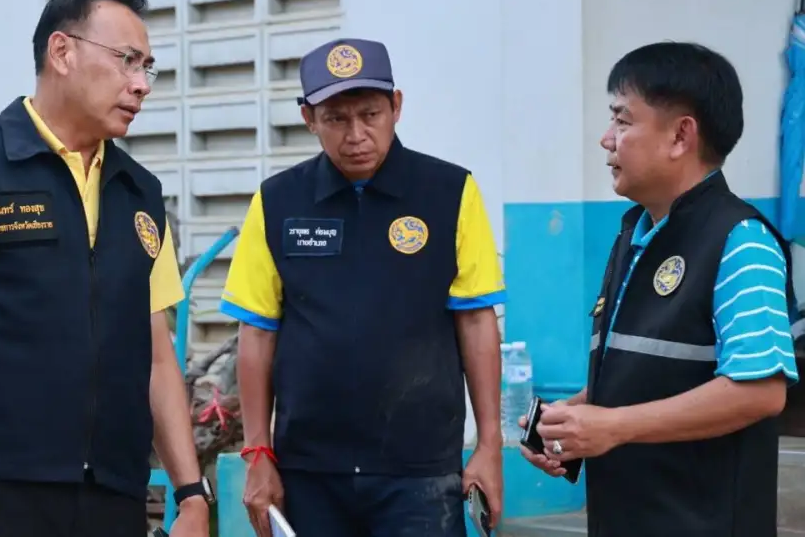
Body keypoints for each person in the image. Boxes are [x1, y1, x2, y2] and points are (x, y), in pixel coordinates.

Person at [0, 0, 212, 537]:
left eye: (147, 68)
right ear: (62, 52)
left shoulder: (139, 192)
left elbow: (155, 353)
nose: (140, 84)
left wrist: (191, 494)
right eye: (127, 60)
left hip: (114, 497)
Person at [220, 38, 506, 537]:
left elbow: (476, 321)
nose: (356, 135)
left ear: (396, 106)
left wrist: (488, 445)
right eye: (336, 119)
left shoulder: (450, 192)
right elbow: (257, 332)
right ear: (309, 118)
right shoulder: (277, 201)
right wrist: (257, 451)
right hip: (308, 471)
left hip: (420, 472)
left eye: (370, 114)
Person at [520, 41, 803, 537]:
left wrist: (613, 426)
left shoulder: (741, 241)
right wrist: (579, 418)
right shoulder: (636, 232)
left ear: (680, 135)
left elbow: (760, 391)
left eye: (622, 120)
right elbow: (652, 374)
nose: (606, 139)